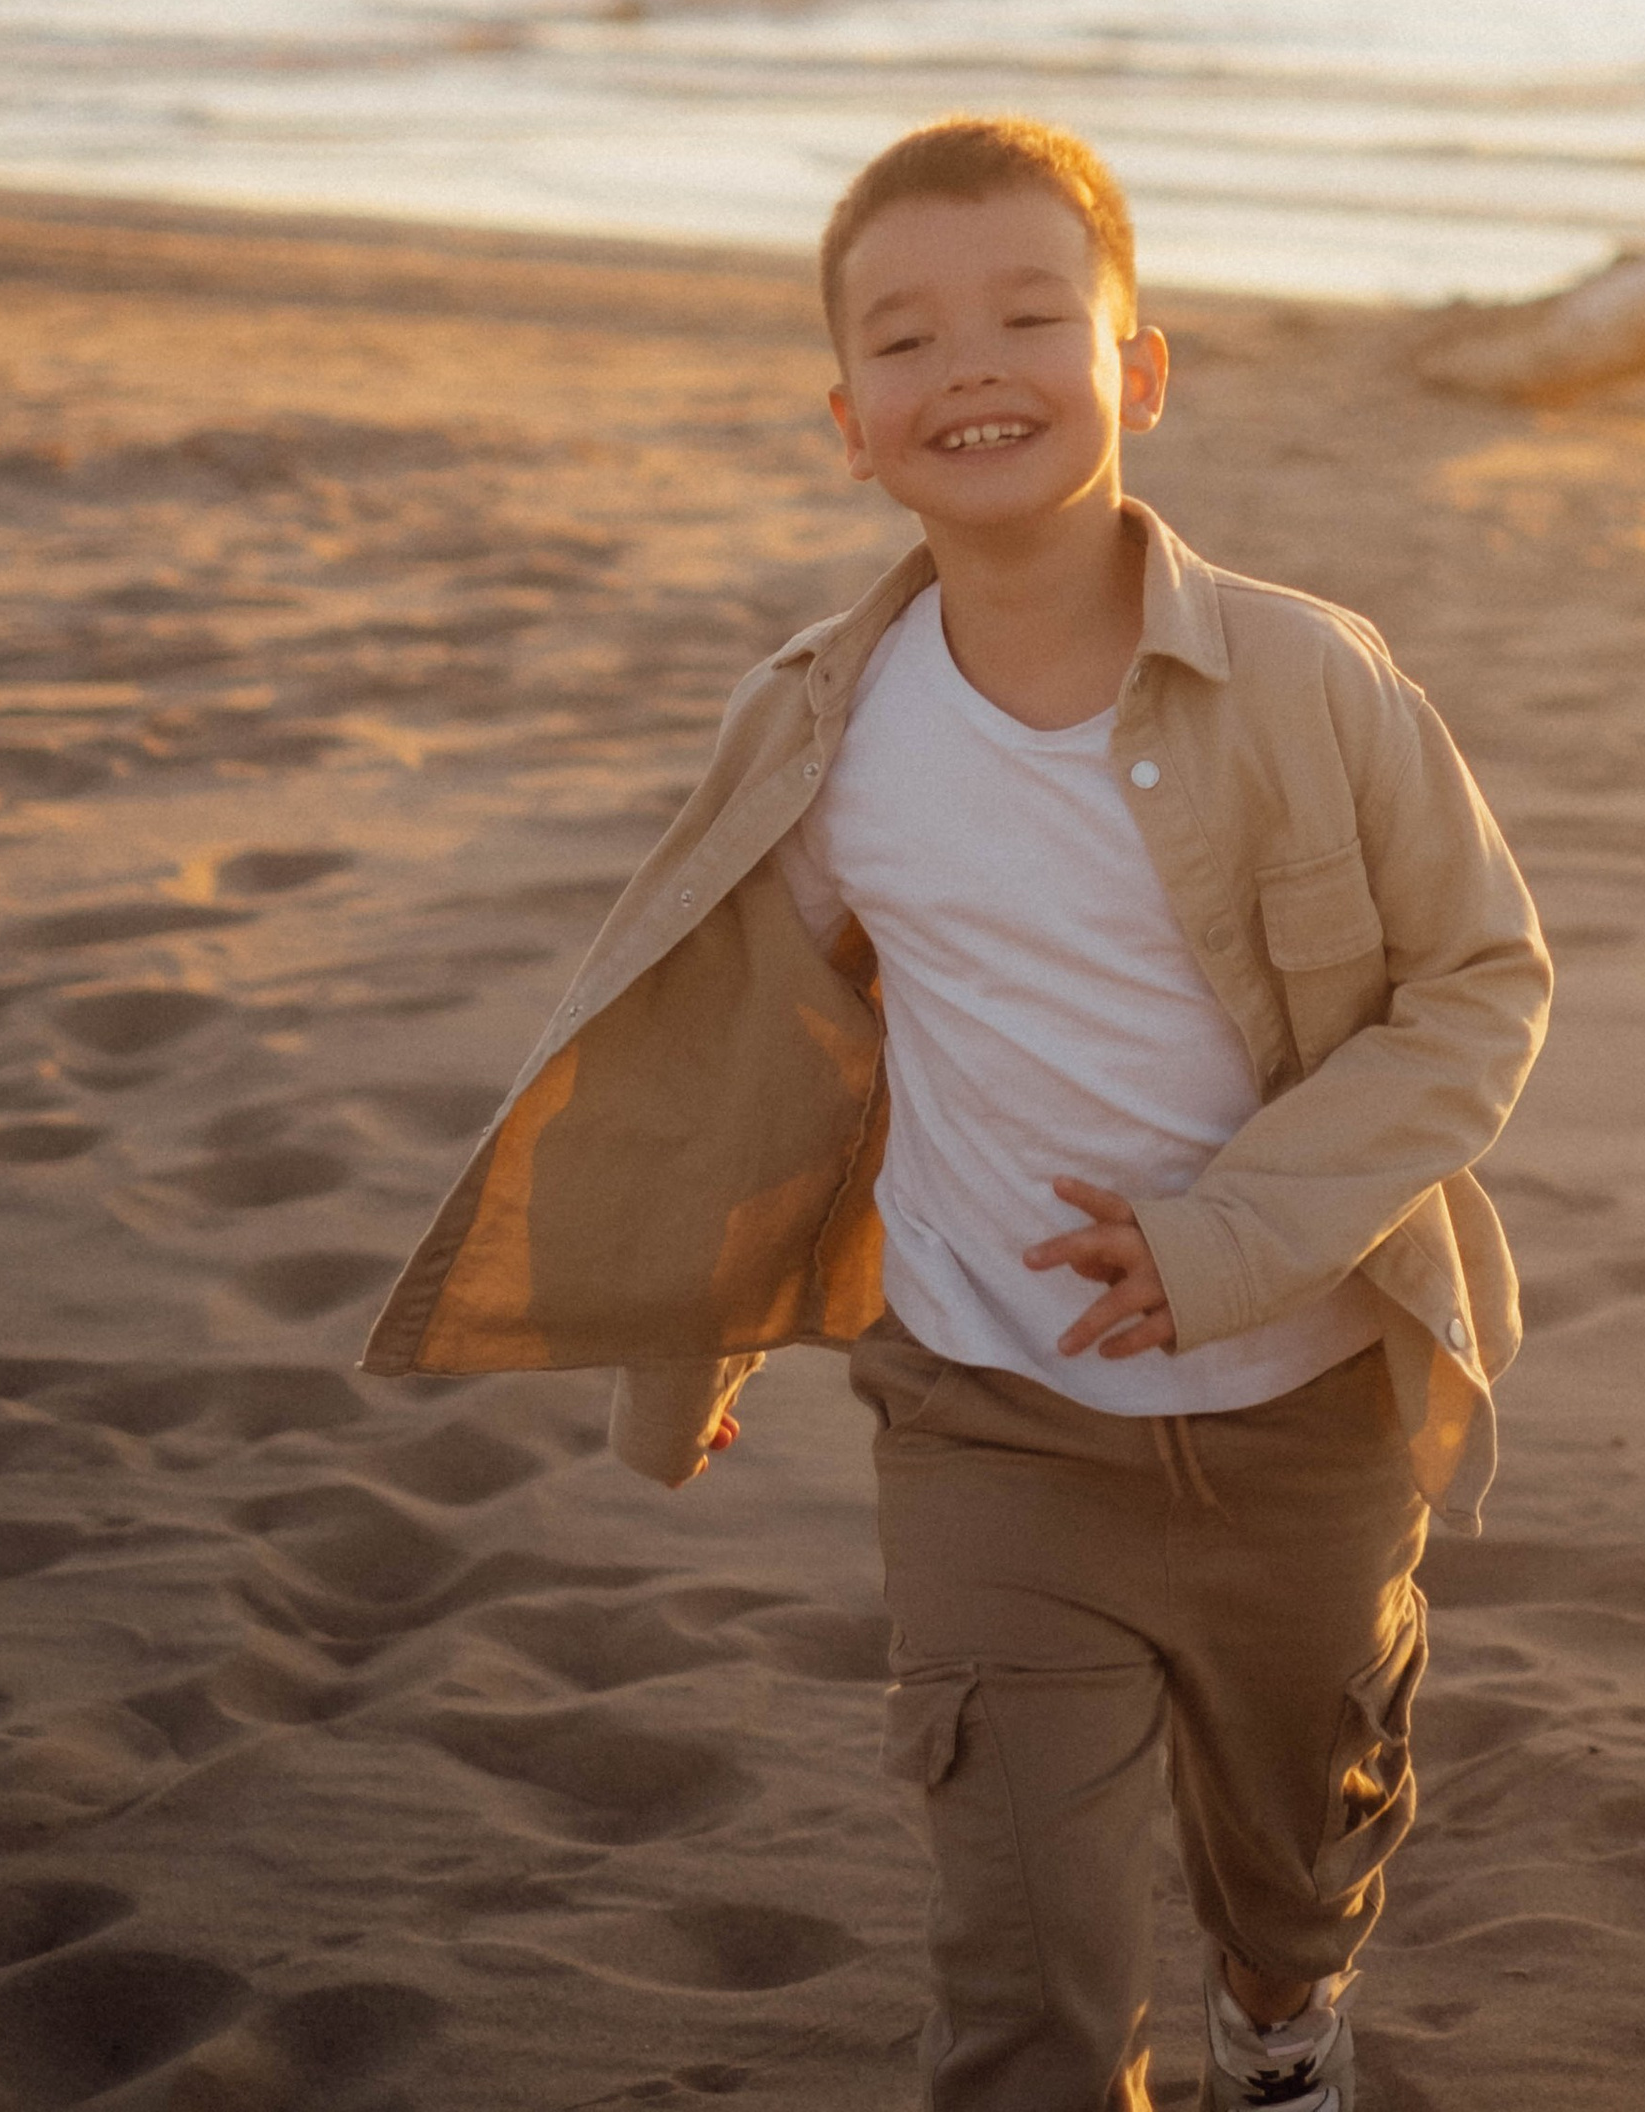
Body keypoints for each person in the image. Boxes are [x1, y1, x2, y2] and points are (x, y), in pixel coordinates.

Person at [367, 115, 1552, 2112]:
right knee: (1024, 1987)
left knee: (1294, 1865)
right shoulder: (820, 730)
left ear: (1136, 371)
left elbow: (1478, 985)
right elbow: (747, 1050)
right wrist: (696, 1335)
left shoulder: (1308, 679)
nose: (971, 368)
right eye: (906, 340)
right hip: (986, 1416)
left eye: (1027, 316)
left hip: (1308, 1413)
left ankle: (1282, 2029)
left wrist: (1226, 1240)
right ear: (851, 425)